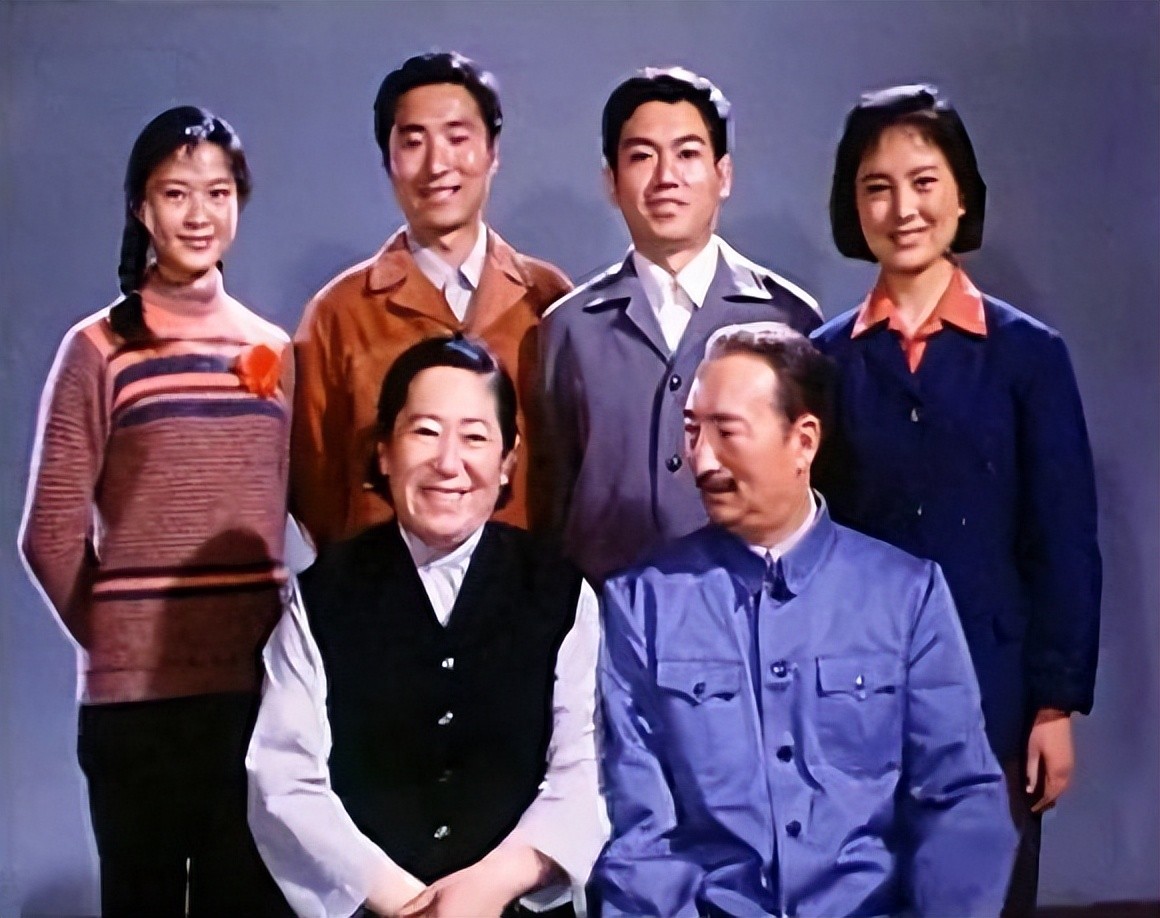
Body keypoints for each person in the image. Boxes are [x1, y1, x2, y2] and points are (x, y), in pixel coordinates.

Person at [593, 324, 1016, 918]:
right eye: (691, 430)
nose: (701, 460)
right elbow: (638, 831)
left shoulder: (906, 595)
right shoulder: (641, 604)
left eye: (727, 432)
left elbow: (959, 796)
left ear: (804, 441)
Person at [811, 84, 1101, 915]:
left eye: (924, 181)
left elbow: (1064, 539)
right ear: (853, 206)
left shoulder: (1028, 356)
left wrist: (1054, 705)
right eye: (877, 187)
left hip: (993, 697)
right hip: (853, 705)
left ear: (963, 194)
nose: (903, 208)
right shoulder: (823, 362)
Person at [19, 106, 291, 916]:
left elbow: (299, 509)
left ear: (239, 202)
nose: (198, 214)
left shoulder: (274, 350)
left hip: (255, 695)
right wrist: (123, 637)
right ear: (142, 208)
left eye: (217, 192)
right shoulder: (98, 349)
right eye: (176, 193)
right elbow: (49, 534)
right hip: (136, 709)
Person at [248, 336, 606, 918]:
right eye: (425, 432)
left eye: (475, 437)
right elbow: (284, 780)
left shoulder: (561, 592)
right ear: (384, 451)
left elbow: (583, 770)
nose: (448, 462)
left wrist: (491, 885)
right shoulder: (322, 596)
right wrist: (406, 902)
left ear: (508, 461)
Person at [537, 66, 823, 584]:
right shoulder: (569, 328)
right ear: (611, 181)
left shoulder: (789, 318)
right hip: (602, 607)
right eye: (642, 156)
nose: (666, 177)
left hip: (753, 604)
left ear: (724, 175)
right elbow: (552, 494)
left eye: (688, 154)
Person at [292, 51, 571, 549]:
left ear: (492, 152)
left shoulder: (548, 300)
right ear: (388, 161)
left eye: (458, 139)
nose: (437, 164)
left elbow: (572, 463)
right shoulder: (339, 312)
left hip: (524, 580)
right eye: (413, 142)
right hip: (382, 585)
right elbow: (314, 483)